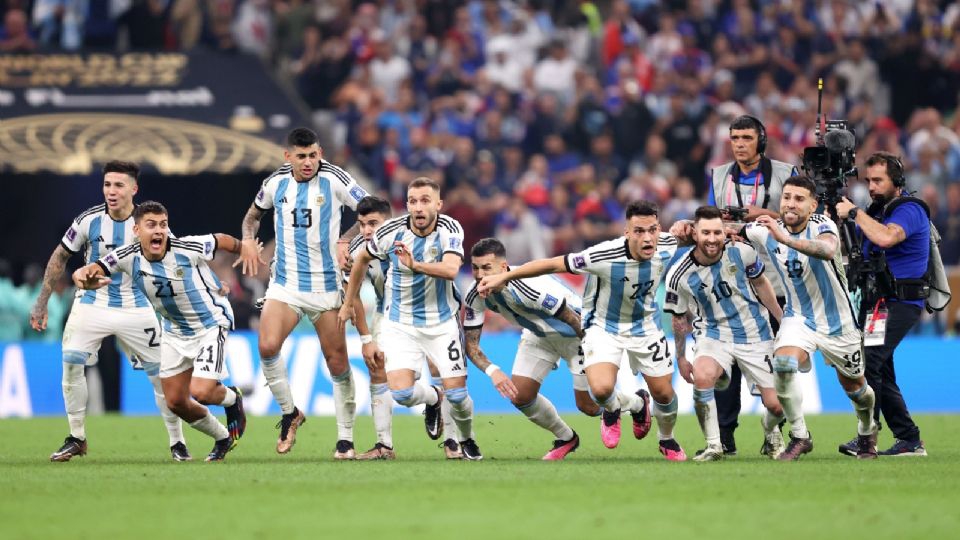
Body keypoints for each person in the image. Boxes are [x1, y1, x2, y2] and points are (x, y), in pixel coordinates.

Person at [478, 201, 689, 462]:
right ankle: (576, 431)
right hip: (600, 326)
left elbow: (705, 233)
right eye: (638, 231)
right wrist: (506, 277)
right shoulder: (604, 254)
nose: (647, 237)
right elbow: (554, 263)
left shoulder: (667, 244)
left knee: (661, 393)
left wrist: (693, 226)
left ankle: (664, 437)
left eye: (652, 230)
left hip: (635, 327)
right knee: (597, 392)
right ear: (626, 232)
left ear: (659, 229)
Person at [30, 161, 188, 462]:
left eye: (118, 185)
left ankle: (177, 442)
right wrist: (42, 301)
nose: (111, 191)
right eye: (107, 185)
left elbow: (174, 262)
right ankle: (77, 437)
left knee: (162, 377)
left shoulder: (149, 222)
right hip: (93, 303)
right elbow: (60, 255)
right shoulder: (88, 220)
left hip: (137, 305)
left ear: (134, 189)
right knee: (72, 363)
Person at [71, 201, 247, 462]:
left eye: (163, 225)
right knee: (175, 401)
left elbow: (220, 240)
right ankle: (222, 438)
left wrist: (247, 249)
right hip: (175, 331)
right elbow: (92, 268)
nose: (159, 231)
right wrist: (81, 276)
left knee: (201, 391)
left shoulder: (186, 247)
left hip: (209, 324)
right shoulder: (126, 255)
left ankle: (233, 400)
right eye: (151, 225)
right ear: (136, 229)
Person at [237, 127, 369, 457]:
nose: (308, 162)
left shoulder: (336, 178)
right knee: (267, 346)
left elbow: (372, 212)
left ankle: (345, 438)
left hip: (326, 285)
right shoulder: (274, 183)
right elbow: (252, 217)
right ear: (288, 157)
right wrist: (248, 241)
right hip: (286, 283)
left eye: (313, 155)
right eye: (301, 156)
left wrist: (345, 239)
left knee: (337, 362)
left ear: (320, 153)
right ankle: (289, 413)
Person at [338, 178, 484, 460]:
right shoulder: (389, 232)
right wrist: (346, 304)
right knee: (402, 393)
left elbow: (452, 269)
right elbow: (360, 261)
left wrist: (415, 265)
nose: (419, 207)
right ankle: (433, 398)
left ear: (438, 205)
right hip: (400, 323)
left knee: (457, 394)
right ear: (406, 205)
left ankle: (464, 439)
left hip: (442, 321)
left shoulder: (450, 228)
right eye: (413, 201)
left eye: (425, 200)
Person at [743, 176, 878, 460]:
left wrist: (786, 239)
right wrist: (689, 229)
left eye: (799, 199)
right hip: (798, 318)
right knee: (783, 364)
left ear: (813, 205)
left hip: (838, 322)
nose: (791, 203)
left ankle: (867, 429)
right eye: (787, 197)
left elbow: (828, 249)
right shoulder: (765, 230)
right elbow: (728, 231)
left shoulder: (823, 225)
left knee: (856, 389)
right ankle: (801, 435)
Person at [664, 206, 785, 461]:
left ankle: (770, 429)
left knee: (777, 405)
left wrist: (781, 320)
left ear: (725, 232)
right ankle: (713, 445)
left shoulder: (742, 251)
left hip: (756, 332)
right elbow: (678, 317)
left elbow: (762, 283)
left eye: (717, 233)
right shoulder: (678, 274)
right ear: (694, 234)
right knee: (703, 377)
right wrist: (682, 357)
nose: (711, 239)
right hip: (713, 333)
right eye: (705, 232)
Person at [706, 115, 797, 455]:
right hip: (730, 281)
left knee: (777, 363)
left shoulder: (787, 174)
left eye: (746, 137)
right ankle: (725, 437)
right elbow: (707, 220)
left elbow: (803, 218)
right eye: (734, 138)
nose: (740, 144)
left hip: (776, 280)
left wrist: (767, 215)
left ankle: (775, 431)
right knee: (725, 365)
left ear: (761, 139)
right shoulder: (717, 176)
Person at [464, 238, 601, 461]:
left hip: (575, 333)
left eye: (487, 268)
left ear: (503, 267)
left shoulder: (526, 284)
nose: (480, 275)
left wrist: (593, 347)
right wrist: (493, 371)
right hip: (538, 334)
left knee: (588, 405)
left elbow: (570, 318)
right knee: (520, 396)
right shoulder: (475, 294)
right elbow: (471, 345)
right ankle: (566, 438)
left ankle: (634, 403)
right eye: (475, 268)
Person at [835, 152, 933, 456]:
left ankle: (868, 437)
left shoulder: (909, 209)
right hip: (878, 302)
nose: (872, 187)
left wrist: (853, 214)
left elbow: (888, 239)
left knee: (870, 360)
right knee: (881, 369)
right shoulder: (875, 211)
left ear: (897, 181)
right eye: (868, 181)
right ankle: (909, 438)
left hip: (902, 300)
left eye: (878, 180)